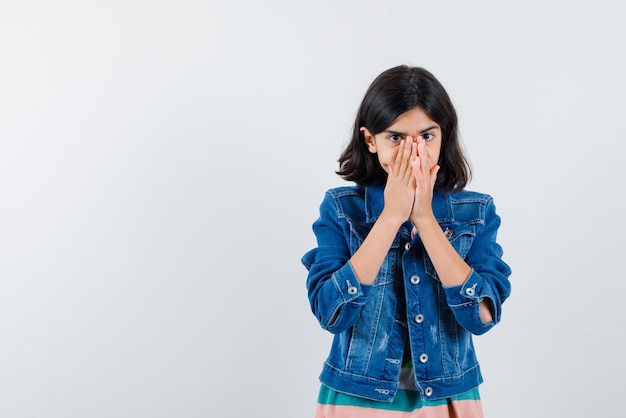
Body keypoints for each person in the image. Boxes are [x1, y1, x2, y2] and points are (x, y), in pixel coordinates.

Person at [301, 65, 512, 417]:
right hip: (358, 396)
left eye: (426, 136)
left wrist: (425, 219)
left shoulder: (476, 212)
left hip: (448, 398)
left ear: (443, 136)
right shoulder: (341, 208)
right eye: (396, 138)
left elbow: (483, 317)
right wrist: (391, 217)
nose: (413, 151)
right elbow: (330, 313)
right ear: (371, 140)